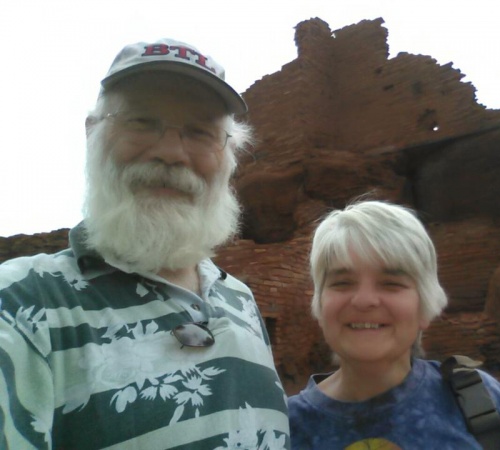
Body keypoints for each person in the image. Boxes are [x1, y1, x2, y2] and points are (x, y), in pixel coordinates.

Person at [0, 39, 289, 449]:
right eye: (141, 122)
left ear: (229, 155)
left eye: (200, 132)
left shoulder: (239, 297)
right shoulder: (18, 306)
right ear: (93, 131)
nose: (171, 152)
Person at [288, 200, 500, 449]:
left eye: (391, 284)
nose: (364, 300)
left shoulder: (479, 403)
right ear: (320, 305)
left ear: (424, 307)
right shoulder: (279, 427)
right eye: (342, 283)